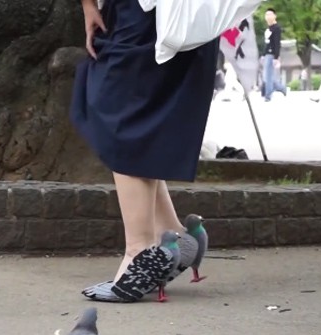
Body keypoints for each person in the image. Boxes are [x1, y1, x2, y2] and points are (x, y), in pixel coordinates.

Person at [70, 0, 218, 302]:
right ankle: (173, 235)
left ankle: (140, 253)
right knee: (138, 119)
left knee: (122, 118)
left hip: (143, 16)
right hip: (182, 14)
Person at [262, 8, 287, 102]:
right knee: (267, 76)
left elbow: (277, 43)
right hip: (267, 54)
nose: (268, 16)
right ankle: (281, 88)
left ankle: (268, 95)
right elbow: (267, 43)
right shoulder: (268, 28)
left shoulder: (277, 28)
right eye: (266, 15)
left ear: (274, 16)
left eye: (270, 14)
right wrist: (263, 54)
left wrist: (276, 57)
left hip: (272, 54)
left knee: (268, 75)